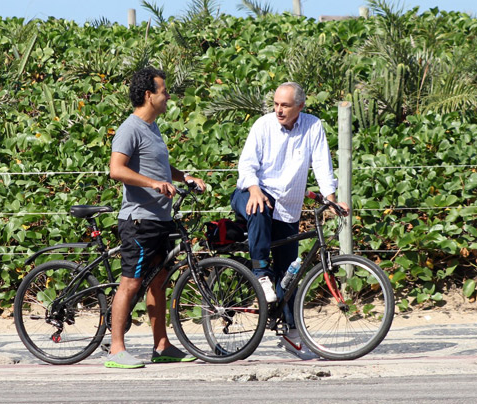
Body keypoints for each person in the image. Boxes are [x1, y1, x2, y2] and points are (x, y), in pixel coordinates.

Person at [230, 81, 349, 360]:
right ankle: (260, 275)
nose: (279, 110)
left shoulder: (313, 126)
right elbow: (247, 164)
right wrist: (255, 189)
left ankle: (291, 334)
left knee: (289, 277)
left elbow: (321, 163)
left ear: (300, 107)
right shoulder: (262, 125)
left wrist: (330, 198)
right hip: (250, 194)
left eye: (285, 105)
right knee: (259, 207)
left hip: (287, 208)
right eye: (275, 104)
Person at [106, 66, 206, 369]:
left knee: (159, 282)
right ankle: (115, 349)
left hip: (159, 219)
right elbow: (116, 170)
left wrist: (182, 176)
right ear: (149, 95)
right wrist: (153, 184)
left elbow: (159, 165)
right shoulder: (130, 128)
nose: (168, 96)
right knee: (131, 283)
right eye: (164, 91)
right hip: (139, 220)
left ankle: (161, 345)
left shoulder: (152, 128)